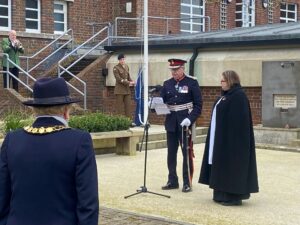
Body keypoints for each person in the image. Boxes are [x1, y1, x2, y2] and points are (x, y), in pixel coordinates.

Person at [0, 77, 99, 224]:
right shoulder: (79, 141)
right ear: (66, 111)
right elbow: (88, 203)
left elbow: (2, 196)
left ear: (34, 109)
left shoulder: (12, 140)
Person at [199, 70, 259, 206]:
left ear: (231, 81)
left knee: (232, 168)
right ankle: (221, 194)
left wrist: (231, 141)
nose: (221, 82)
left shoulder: (239, 97)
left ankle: (233, 197)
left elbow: (239, 122)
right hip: (221, 139)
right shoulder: (225, 96)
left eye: (223, 80)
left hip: (233, 142)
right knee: (221, 166)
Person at [160, 58, 202, 193]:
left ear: (183, 68)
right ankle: (172, 180)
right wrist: (154, 105)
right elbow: (163, 103)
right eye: (172, 70)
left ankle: (187, 182)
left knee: (186, 153)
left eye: (176, 70)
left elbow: (198, 105)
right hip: (171, 122)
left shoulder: (192, 83)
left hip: (185, 123)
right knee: (171, 153)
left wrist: (190, 119)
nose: (174, 73)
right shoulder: (167, 84)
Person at [113, 53, 135, 119]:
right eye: (121, 59)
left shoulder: (126, 66)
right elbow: (119, 79)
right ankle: (119, 121)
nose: (123, 61)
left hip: (127, 90)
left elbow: (128, 76)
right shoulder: (116, 68)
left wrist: (132, 81)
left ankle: (129, 121)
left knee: (128, 106)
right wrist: (128, 83)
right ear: (119, 60)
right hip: (119, 90)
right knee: (119, 107)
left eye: (123, 59)